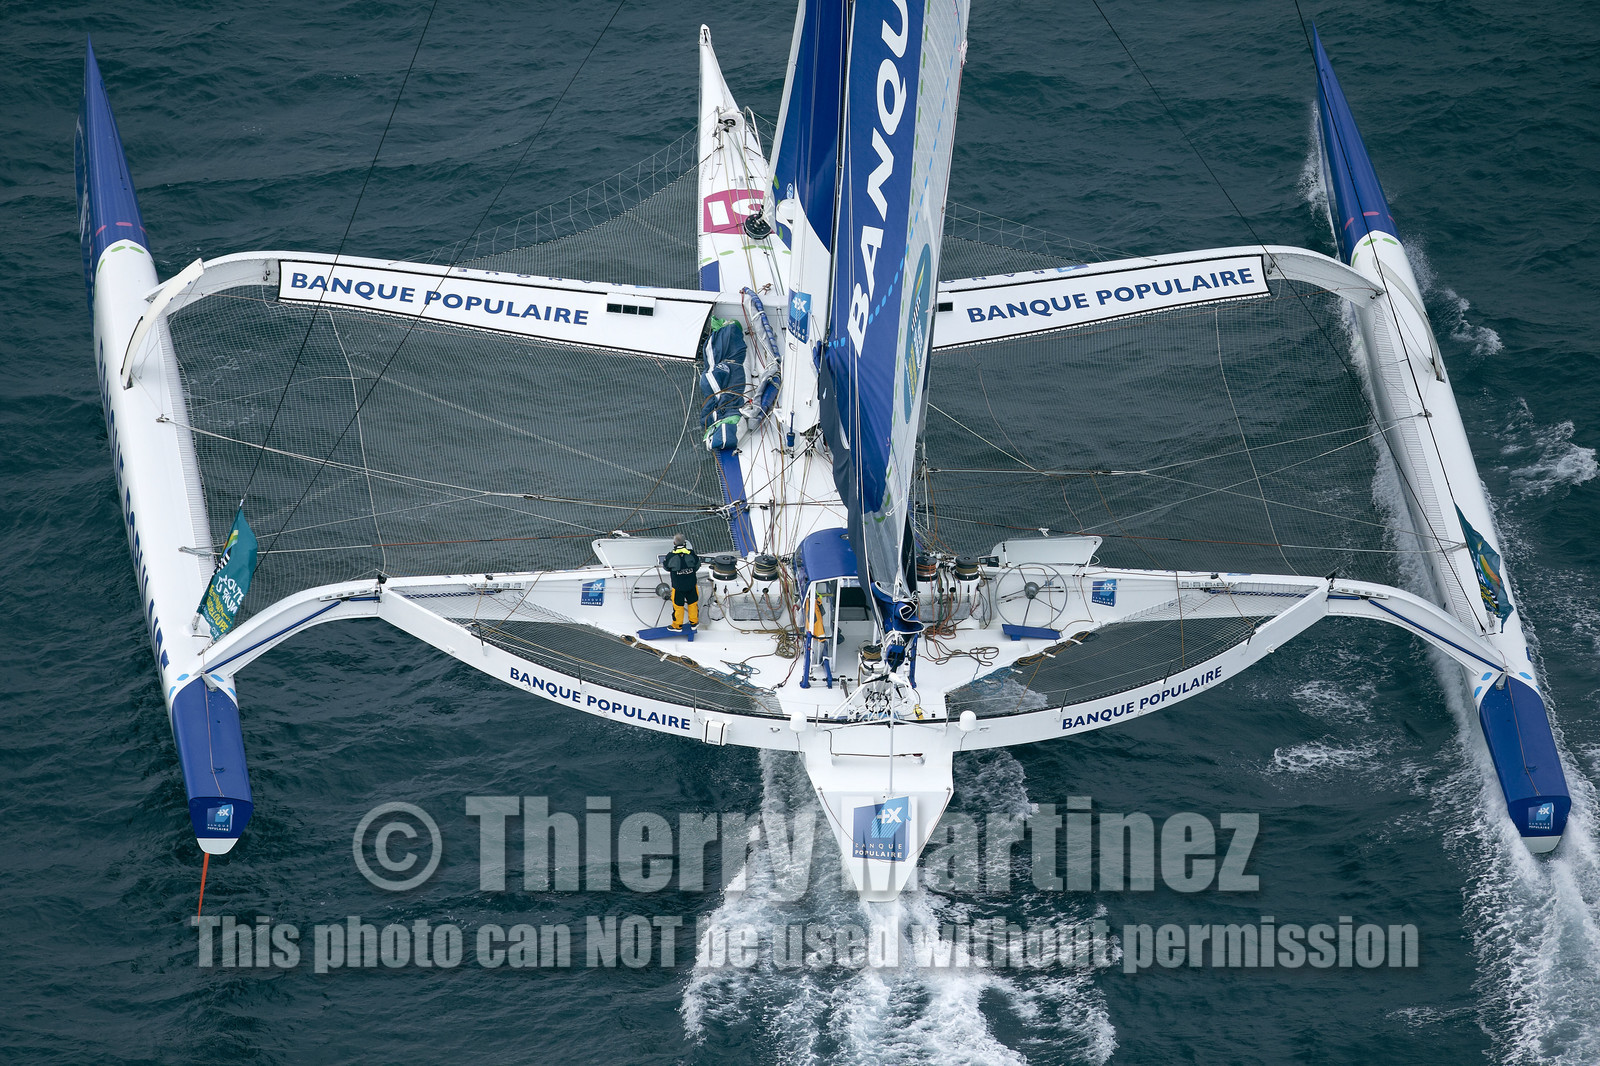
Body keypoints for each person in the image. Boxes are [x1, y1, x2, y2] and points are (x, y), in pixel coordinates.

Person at [663, 533, 701, 631]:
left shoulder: (670, 556)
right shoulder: (691, 554)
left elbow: (666, 567)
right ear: (685, 542)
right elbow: (697, 565)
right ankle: (694, 623)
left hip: (678, 586)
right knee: (692, 604)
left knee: (678, 606)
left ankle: (677, 625)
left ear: (674, 542)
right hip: (691, 584)